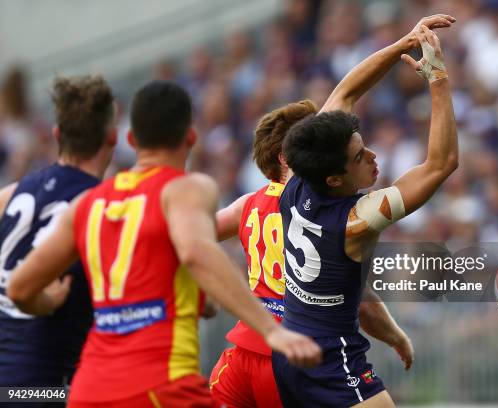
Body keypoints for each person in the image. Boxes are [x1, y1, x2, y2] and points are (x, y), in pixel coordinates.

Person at [7, 80, 321, 407]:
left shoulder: (88, 203)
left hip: (90, 390)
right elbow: (197, 252)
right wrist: (271, 331)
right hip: (161, 385)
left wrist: (47, 301)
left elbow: (19, 288)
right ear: (190, 137)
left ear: (130, 139)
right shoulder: (185, 190)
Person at [211, 14, 455, 407]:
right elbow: (440, 164)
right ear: (334, 180)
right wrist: (438, 78)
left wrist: (401, 45)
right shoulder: (356, 221)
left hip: (279, 355)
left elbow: (345, 90)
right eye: (360, 157)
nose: (374, 157)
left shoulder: (294, 184)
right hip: (329, 359)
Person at [0, 75, 116, 396]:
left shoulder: (10, 195)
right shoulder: (105, 208)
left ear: (56, 135)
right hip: (48, 388)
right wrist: (45, 300)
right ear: (113, 137)